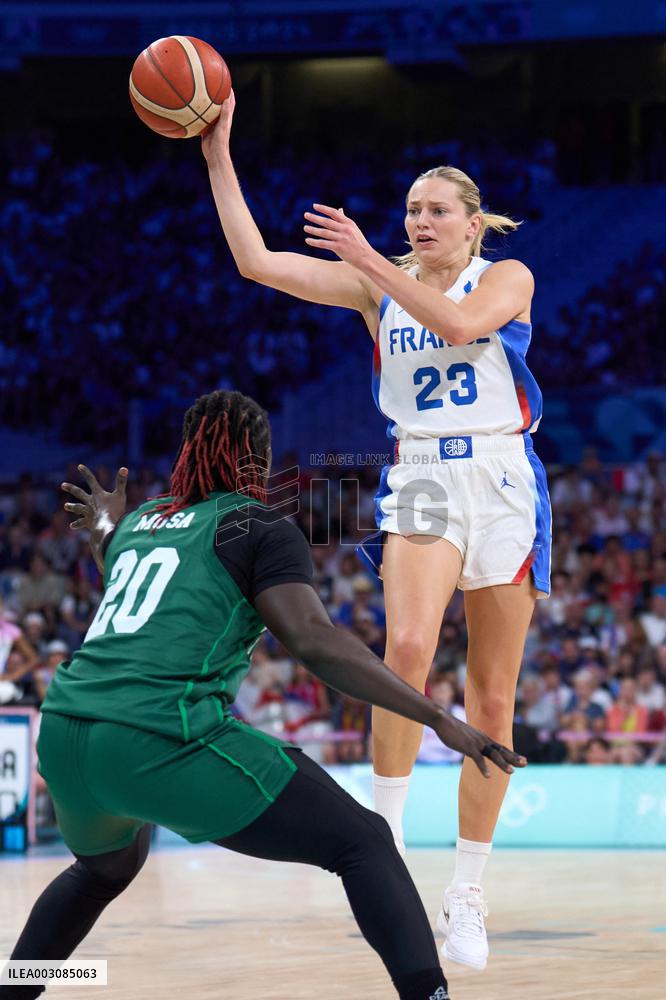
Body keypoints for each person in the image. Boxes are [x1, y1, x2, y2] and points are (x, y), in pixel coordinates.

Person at [0, 390, 525, 1000]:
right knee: (363, 842)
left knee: (103, 869)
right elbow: (313, 641)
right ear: (257, 456)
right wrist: (436, 715)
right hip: (158, 733)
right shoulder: (256, 523)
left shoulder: (142, 521)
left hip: (64, 733)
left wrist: (107, 531)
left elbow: (134, 580)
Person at [203, 91, 551, 970]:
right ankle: (383, 838)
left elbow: (463, 325)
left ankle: (468, 889)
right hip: (426, 472)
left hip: (505, 478)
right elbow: (254, 262)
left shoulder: (506, 280)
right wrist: (216, 149)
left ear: (473, 226)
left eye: (437, 210)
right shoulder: (374, 284)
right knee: (404, 650)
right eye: (411, 210)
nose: (420, 220)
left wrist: (372, 257)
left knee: (495, 701)